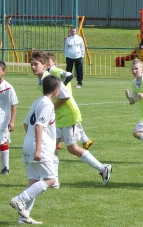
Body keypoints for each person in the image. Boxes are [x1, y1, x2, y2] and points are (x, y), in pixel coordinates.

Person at [31, 51, 112, 188]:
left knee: (73, 149)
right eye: (31, 64)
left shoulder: (50, 79)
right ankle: (54, 180)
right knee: (51, 148)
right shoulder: (39, 81)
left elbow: (65, 95)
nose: (33, 67)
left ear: (44, 65)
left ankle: (103, 168)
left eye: (36, 64)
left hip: (69, 116)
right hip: (58, 118)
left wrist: (51, 107)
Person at [9, 75, 61, 225]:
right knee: (51, 179)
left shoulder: (37, 101)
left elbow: (26, 124)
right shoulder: (47, 104)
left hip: (28, 145)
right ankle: (20, 199)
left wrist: (30, 141)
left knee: (34, 182)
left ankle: (23, 218)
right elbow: (39, 125)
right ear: (56, 91)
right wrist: (38, 148)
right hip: (40, 147)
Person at [46, 52, 93, 150]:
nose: (47, 63)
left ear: (54, 62)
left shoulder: (54, 70)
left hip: (65, 100)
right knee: (70, 123)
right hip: (64, 100)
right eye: (45, 61)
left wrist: (60, 86)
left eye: (49, 61)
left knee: (59, 121)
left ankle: (57, 141)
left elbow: (69, 75)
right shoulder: (49, 73)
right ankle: (85, 140)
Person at [125, 58, 143, 148]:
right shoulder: (134, 83)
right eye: (132, 69)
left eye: (136, 68)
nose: (134, 71)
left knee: (136, 132)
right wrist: (127, 96)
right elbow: (133, 101)